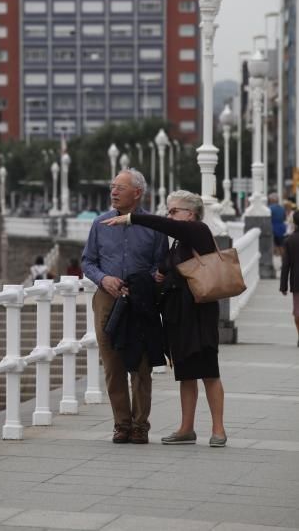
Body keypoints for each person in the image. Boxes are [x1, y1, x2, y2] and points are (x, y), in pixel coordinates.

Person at [102, 189, 227, 448]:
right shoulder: (179, 242)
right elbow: (172, 268)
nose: (168, 215)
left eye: (173, 211)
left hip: (198, 314)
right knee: (185, 372)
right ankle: (186, 428)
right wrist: (161, 274)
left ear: (190, 214)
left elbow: (165, 226)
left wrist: (132, 218)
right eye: (168, 211)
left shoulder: (198, 230)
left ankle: (218, 430)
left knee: (208, 372)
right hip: (178, 315)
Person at [82, 169, 168, 444]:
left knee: (141, 363)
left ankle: (140, 425)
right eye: (112, 187)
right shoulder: (99, 223)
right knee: (112, 363)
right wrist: (103, 278)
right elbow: (88, 261)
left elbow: (161, 263)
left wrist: (146, 281)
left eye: (120, 187)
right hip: (108, 298)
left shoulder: (154, 226)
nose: (114, 192)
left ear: (137, 193)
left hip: (140, 299)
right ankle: (121, 423)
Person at [280, 209, 299, 347]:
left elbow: (285, 265)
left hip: (296, 282)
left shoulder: (290, 240)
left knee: (297, 312)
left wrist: (283, 286)